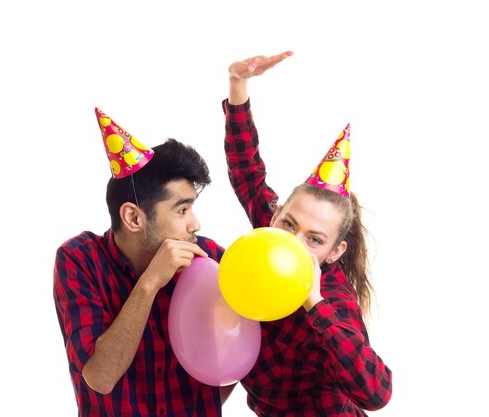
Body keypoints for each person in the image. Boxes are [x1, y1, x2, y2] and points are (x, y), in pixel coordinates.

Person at [222, 52, 393, 416]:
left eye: (315, 239)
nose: (292, 243)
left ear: (334, 252)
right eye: (288, 223)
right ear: (278, 215)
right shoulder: (270, 239)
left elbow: (377, 393)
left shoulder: (332, 300)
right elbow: (247, 172)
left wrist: (314, 304)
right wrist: (239, 86)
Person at [53, 108, 231, 417]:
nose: (196, 224)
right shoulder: (79, 259)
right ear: (134, 217)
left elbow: (236, 358)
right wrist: (151, 281)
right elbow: (100, 377)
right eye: (182, 210)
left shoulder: (211, 258)